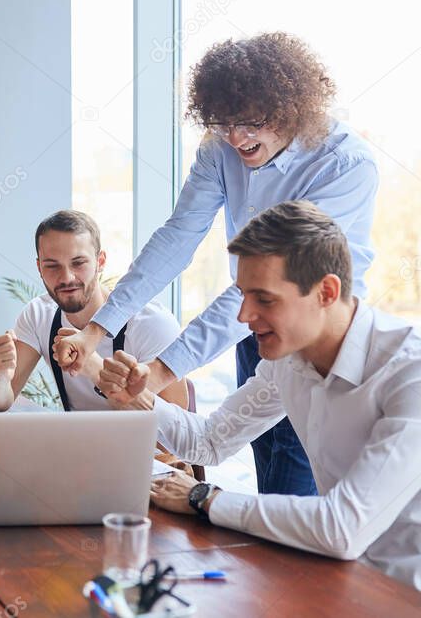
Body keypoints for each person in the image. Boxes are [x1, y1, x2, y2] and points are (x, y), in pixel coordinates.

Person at [54, 32, 378, 496]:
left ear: (291, 108)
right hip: (266, 336)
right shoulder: (221, 148)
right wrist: (97, 330)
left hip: (325, 339)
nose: (236, 138)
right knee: (267, 471)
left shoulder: (345, 163)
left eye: (250, 122)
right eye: (223, 122)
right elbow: (178, 239)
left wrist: (162, 372)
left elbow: (273, 286)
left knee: (296, 487)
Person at [99, 201, 421, 591]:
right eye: (243, 296)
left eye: (264, 299)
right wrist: (139, 398)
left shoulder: (409, 373)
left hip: (404, 592)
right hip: (343, 581)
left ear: (326, 291)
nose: (243, 316)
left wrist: (204, 497)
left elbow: (342, 527)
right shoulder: (290, 360)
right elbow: (209, 442)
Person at [0, 210, 187, 411]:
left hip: (140, 447)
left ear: (100, 262)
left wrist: (94, 368)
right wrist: (0, 377)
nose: (67, 277)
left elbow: (175, 436)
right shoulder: (39, 315)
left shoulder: (151, 323)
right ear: (39, 268)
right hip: (77, 444)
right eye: (52, 266)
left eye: (78, 263)